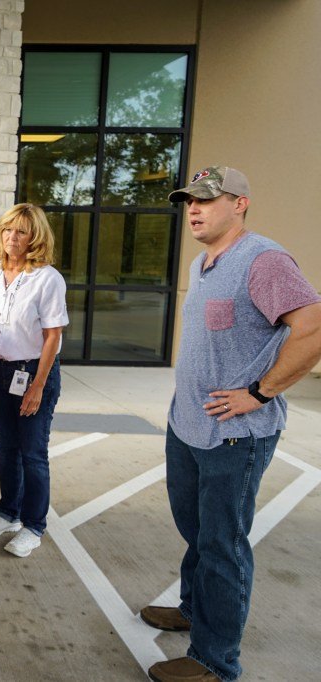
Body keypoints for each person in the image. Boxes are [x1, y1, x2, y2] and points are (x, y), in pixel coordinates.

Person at [141, 166, 321, 682]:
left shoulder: (261, 260)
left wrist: (260, 392)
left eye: (207, 200)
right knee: (196, 531)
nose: (193, 209)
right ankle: (195, 609)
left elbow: (311, 327)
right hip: (190, 425)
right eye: (189, 201)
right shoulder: (203, 263)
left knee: (223, 544)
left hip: (235, 436)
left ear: (239, 203)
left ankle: (214, 662)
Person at [0, 203, 68, 558]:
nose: (12, 237)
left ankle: (33, 526)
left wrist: (38, 386)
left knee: (33, 454)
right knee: (6, 448)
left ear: (34, 236)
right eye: (8, 229)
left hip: (32, 371)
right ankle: (8, 513)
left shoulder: (47, 279)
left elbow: (53, 336)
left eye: (21, 231)